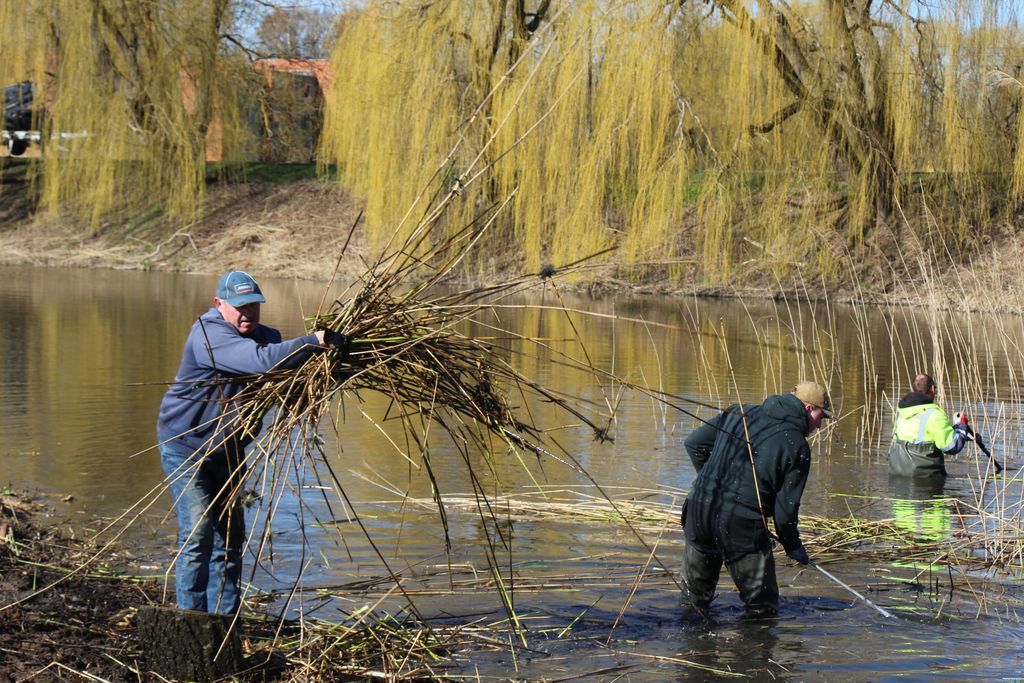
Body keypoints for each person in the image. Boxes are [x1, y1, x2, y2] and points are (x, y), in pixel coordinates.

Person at [156, 270, 348, 614]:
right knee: (199, 530)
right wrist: (314, 341)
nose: (247, 313)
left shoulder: (267, 337)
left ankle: (226, 620)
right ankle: (192, 618)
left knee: (230, 536)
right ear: (219, 304)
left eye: (253, 306)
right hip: (187, 446)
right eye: (239, 307)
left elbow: (287, 390)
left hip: (228, 450)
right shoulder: (207, 335)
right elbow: (261, 363)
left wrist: (326, 371)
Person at [680, 381, 832, 617]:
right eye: (821, 416)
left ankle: (691, 650)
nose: (820, 425)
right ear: (808, 408)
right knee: (762, 609)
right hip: (740, 525)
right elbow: (785, 511)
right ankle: (753, 652)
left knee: (693, 602)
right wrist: (793, 546)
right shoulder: (796, 445)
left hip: (698, 510)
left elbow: (694, 444)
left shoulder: (740, 412)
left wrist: (714, 485)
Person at [888, 373, 970, 479]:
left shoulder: (901, 413)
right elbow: (952, 446)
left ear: (912, 390)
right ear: (932, 388)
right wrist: (962, 426)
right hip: (925, 479)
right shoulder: (934, 415)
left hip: (897, 474)